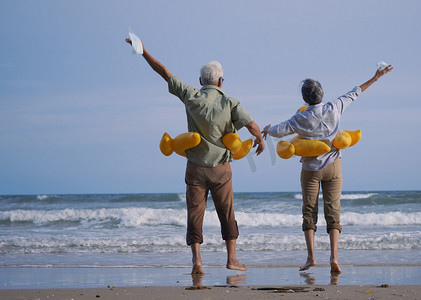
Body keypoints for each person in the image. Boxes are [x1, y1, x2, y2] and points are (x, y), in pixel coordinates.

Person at [125, 38, 265, 274]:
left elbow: (164, 72)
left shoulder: (191, 95)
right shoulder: (230, 102)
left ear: (201, 81)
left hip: (195, 167)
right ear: (221, 81)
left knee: (195, 212)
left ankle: (197, 261)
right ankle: (232, 259)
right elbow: (251, 125)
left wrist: (144, 51)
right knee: (227, 212)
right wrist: (260, 140)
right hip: (221, 168)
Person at [262, 65, 393, 274]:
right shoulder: (335, 107)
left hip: (311, 170)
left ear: (305, 100)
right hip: (334, 167)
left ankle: (311, 257)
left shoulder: (300, 118)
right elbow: (355, 92)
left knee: (309, 212)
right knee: (333, 212)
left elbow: (279, 131)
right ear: (322, 94)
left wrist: (267, 129)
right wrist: (376, 77)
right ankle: (334, 258)